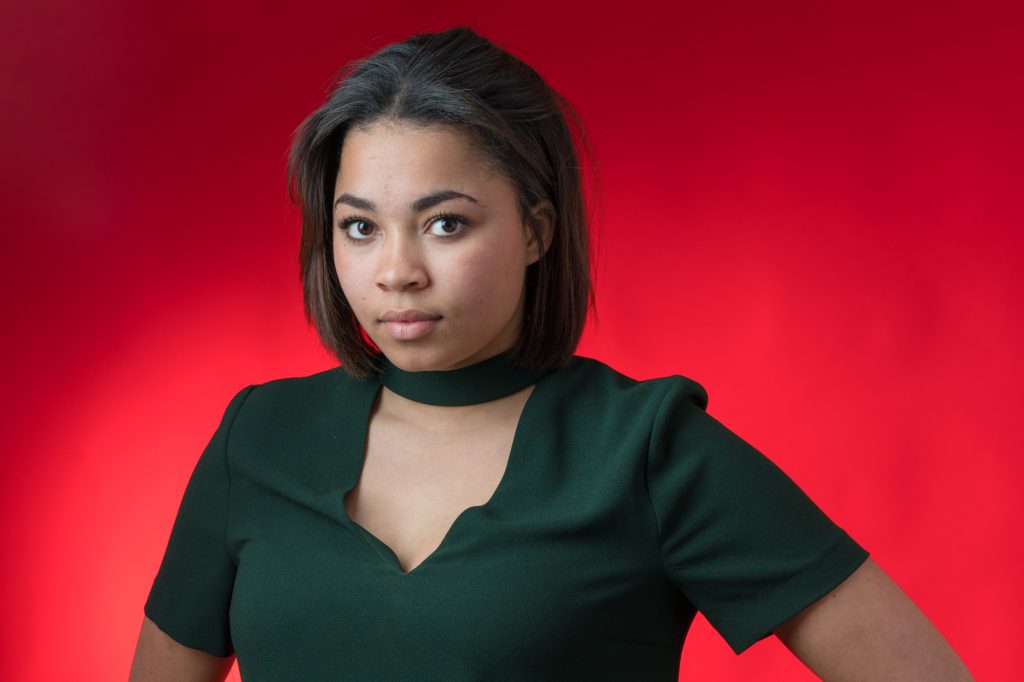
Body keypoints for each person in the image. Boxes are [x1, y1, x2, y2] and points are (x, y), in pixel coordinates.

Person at [129, 26, 974, 682]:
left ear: (536, 231)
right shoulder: (259, 437)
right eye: (360, 227)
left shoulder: (644, 450)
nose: (396, 271)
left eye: (445, 222)